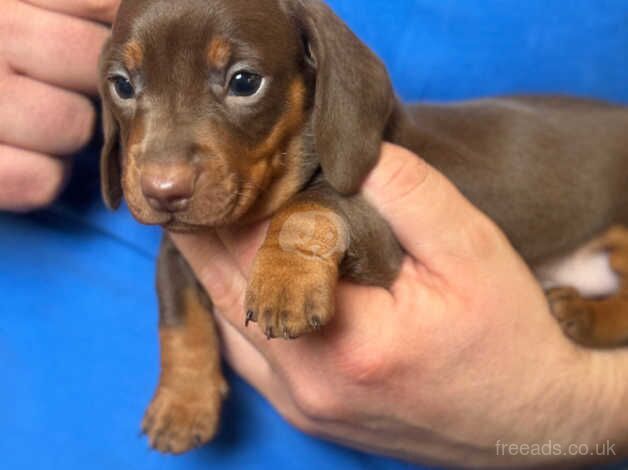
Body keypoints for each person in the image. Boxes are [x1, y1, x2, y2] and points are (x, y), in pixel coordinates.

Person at [2, 1, 627, 468]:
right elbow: (179, 258)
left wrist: (587, 411)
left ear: (320, 79)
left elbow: (364, 222)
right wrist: (187, 371)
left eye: (242, 83)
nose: (162, 176)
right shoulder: (201, 197)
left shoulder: (331, 162)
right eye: (126, 86)